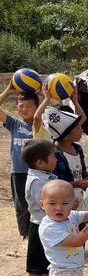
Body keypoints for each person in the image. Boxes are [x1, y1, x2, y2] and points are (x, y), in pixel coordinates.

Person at [45, 106, 88, 268]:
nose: (81, 130)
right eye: (77, 128)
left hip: (78, 199)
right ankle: (66, 266)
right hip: (63, 204)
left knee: (79, 231)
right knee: (67, 235)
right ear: (66, 134)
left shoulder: (77, 149)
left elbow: (81, 171)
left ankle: (78, 264)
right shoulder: (54, 153)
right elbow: (54, 183)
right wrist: (76, 184)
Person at [0, 83, 38, 241]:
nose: (24, 109)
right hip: (18, 172)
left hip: (37, 171)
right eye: (21, 106)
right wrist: (8, 91)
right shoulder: (14, 124)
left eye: (29, 106)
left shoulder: (40, 123)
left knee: (37, 204)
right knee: (21, 205)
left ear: (37, 107)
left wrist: (46, 97)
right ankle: (26, 236)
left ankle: (38, 234)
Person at [22, 140, 58, 276]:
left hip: (49, 225)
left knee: (47, 262)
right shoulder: (37, 181)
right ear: (40, 163)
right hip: (39, 226)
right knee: (36, 264)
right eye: (53, 156)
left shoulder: (46, 176)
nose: (56, 159)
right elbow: (43, 204)